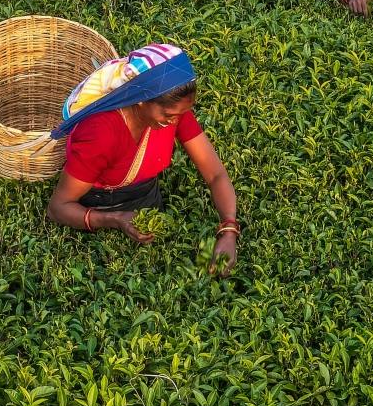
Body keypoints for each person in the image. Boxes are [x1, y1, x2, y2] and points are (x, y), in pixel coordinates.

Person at [46, 43, 240, 273]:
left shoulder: (173, 113)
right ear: (140, 99)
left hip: (146, 197)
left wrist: (228, 230)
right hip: (100, 205)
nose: (175, 122)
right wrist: (117, 220)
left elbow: (215, 174)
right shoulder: (101, 133)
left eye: (180, 115)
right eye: (168, 115)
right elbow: (58, 208)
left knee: (189, 266)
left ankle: (209, 275)